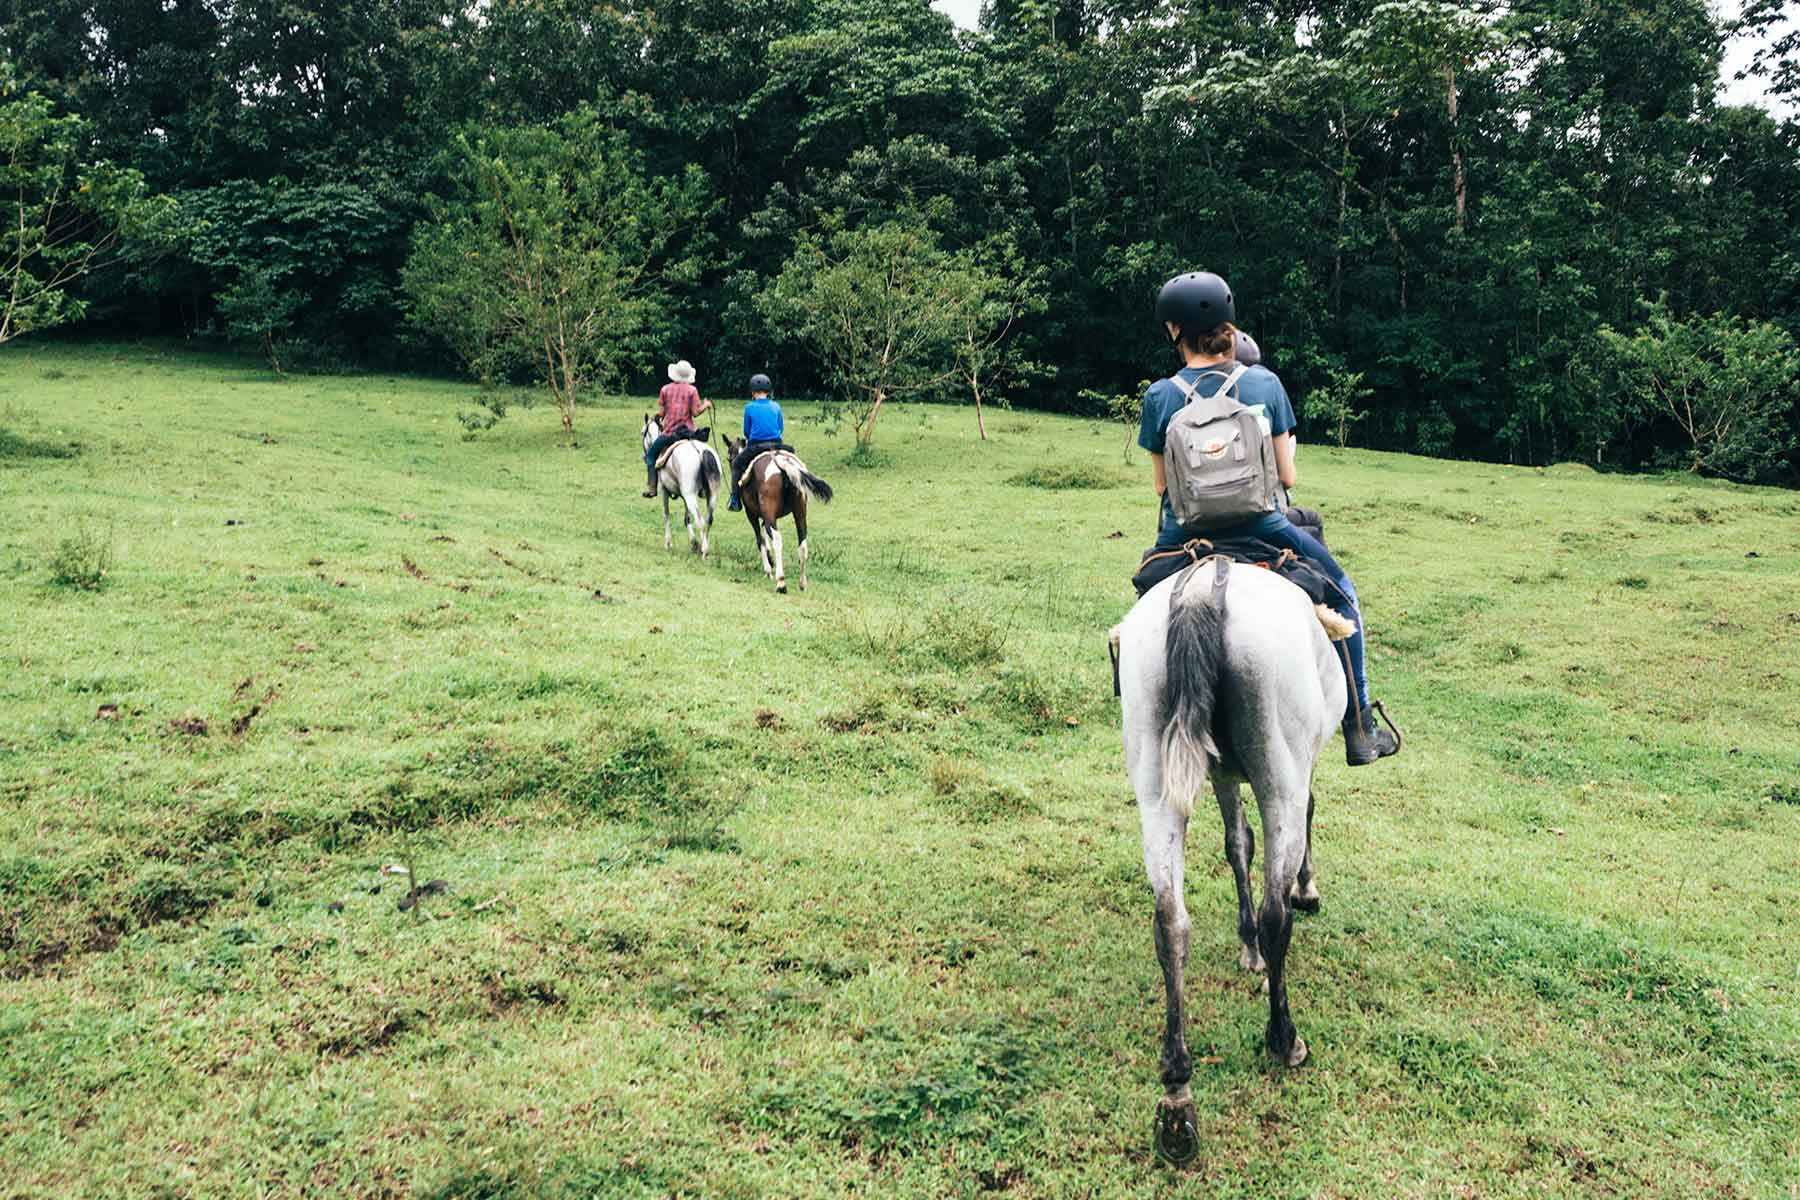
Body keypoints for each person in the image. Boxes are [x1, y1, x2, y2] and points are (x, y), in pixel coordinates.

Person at [1139, 271, 1399, 765]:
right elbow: (1287, 475)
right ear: (1228, 326)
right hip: (1263, 526)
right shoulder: (1263, 382)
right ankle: (1360, 725)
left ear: (1174, 331)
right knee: (1343, 591)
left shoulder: (1160, 396)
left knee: (1140, 615)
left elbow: (1160, 487)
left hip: (1184, 532)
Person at [643, 359, 711, 497]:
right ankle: (704, 487)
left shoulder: (665, 389)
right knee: (703, 455)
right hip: (688, 433)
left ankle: (652, 488)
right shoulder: (692, 390)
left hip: (669, 433)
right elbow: (695, 413)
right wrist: (706, 405)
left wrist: (655, 415)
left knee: (650, 455)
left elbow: (661, 413)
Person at [727, 373, 789, 511]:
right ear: (768, 392)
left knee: (736, 464)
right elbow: (780, 427)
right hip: (777, 444)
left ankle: (735, 499)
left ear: (753, 392)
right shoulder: (776, 406)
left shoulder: (749, 408)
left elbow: (746, 432)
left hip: (756, 446)